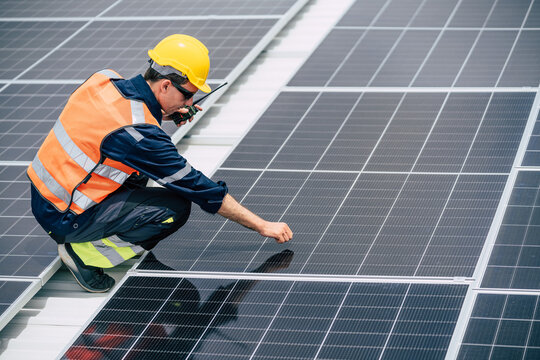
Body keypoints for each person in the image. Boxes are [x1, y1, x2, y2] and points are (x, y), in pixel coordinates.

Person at [27, 34, 293, 293]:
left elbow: (107, 128)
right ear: (165, 85)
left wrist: (161, 114)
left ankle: (94, 234)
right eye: (187, 95)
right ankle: (85, 254)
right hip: (65, 216)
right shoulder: (139, 135)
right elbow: (198, 187)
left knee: (139, 169)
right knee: (175, 207)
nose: (189, 103)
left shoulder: (103, 80)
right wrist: (261, 225)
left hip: (48, 195)